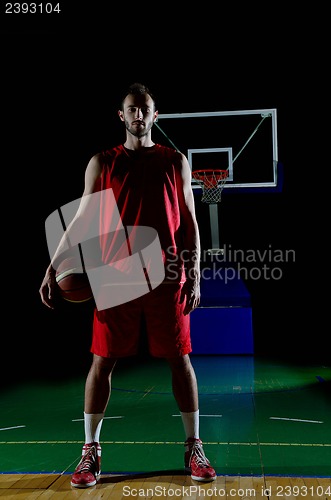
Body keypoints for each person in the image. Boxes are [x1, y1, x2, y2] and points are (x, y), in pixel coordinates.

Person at [39, 82, 217, 488]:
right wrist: (53, 267)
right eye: (132, 109)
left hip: (167, 274)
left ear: (156, 115)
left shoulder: (176, 162)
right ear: (121, 116)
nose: (139, 115)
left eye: (145, 109)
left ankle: (194, 446)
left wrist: (195, 275)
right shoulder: (102, 162)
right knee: (102, 361)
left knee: (179, 359)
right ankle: (89, 452)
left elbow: (190, 222)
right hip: (115, 275)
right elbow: (82, 219)